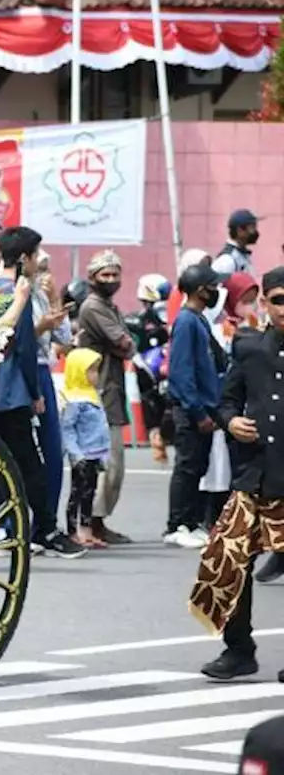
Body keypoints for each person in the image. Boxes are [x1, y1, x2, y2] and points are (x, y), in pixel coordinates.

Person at [190, 266, 284, 682]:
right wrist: (231, 423)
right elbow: (227, 401)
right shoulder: (248, 346)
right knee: (228, 559)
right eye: (278, 299)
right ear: (264, 303)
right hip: (255, 477)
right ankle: (238, 649)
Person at [0, 226, 84, 558]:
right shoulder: (18, 291)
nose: (38, 262)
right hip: (14, 391)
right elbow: (24, 345)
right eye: (36, 255)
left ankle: (0, 527)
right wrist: (35, 391)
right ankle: (46, 529)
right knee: (31, 464)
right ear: (24, 258)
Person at [165, 263, 227, 549]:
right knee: (187, 467)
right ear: (200, 290)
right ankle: (176, 524)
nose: (216, 291)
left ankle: (190, 522)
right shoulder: (187, 321)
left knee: (198, 466)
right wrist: (197, 410)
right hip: (191, 408)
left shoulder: (199, 320)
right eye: (212, 286)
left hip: (203, 406)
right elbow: (181, 371)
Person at [74, 250, 134, 544]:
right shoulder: (94, 307)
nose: (110, 280)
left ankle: (96, 521)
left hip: (111, 389)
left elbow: (127, 345)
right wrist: (122, 344)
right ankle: (90, 523)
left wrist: (123, 345)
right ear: (93, 278)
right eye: (104, 275)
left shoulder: (110, 306)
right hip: (97, 393)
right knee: (106, 465)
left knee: (112, 466)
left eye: (114, 274)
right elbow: (124, 342)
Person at [201, 272, 260, 531]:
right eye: (245, 299)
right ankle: (212, 517)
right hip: (224, 403)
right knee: (217, 467)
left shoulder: (256, 325)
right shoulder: (218, 328)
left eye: (253, 299)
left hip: (250, 406)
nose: (249, 304)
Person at [32, 250, 71, 517]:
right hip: (25, 370)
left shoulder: (43, 297)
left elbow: (65, 338)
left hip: (44, 368)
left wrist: (55, 299)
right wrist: (40, 327)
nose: (44, 275)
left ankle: (47, 520)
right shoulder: (18, 292)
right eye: (40, 268)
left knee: (53, 451)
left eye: (47, 269)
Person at [61, 347, 112, 548]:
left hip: (96, 453)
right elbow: (68, 429)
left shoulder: (93, 395)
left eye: (96, 370)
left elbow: (102, 426)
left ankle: (87, 529)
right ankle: (73, 531)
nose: (95, 375)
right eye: (90, 371)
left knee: (90, 492)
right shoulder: (74, 399)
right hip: (82, 454)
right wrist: (75, 453)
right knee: (77, 493)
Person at [211, 209, 261, 278]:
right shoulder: (227, 260)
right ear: (240, 231)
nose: (255, 232)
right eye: (252, 227)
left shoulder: (242, 255)